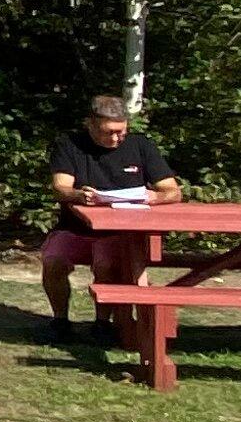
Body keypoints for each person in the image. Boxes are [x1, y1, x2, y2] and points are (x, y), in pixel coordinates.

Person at [40, 92, 181, 330]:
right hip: (75, 227)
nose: (116, 138)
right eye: (108, 132)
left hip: (121, 232)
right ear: (90, 125)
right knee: (53, 259)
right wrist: (78, 195)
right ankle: (60, 321)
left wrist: (156, 197)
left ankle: (103, 323)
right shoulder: (70, 146)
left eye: (121, 132)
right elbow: (60, 188)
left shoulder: (141, 146)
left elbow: (173, 191)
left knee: (106, 263)